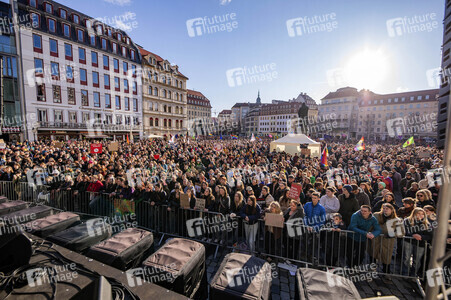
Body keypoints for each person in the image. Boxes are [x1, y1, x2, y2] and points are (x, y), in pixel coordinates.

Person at [369, 203, 403, 274]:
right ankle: (372, 270)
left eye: (387, 209)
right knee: (373, 254)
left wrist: (392, 234)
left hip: (388, 241)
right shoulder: (376, 215)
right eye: (383, 208)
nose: (384, 210)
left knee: (386, 257)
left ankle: (386, 273)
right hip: (376, 238)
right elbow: (370, 226)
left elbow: (401, 233)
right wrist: (369, 233)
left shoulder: (397, 220)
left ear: (392, 210)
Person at [403, 208, 433, 276]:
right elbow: (404, 231)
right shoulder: (407, 220)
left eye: (422, 214)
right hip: (408, 241)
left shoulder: (427, 223)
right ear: (414, 214)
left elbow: (430, 235)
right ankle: (405, 272)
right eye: (418, 213)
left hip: (420, 244)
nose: (420, 215)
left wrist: (421, 237)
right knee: (406, 258)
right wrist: (413, 235)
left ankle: (413, 274)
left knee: (417, 260)